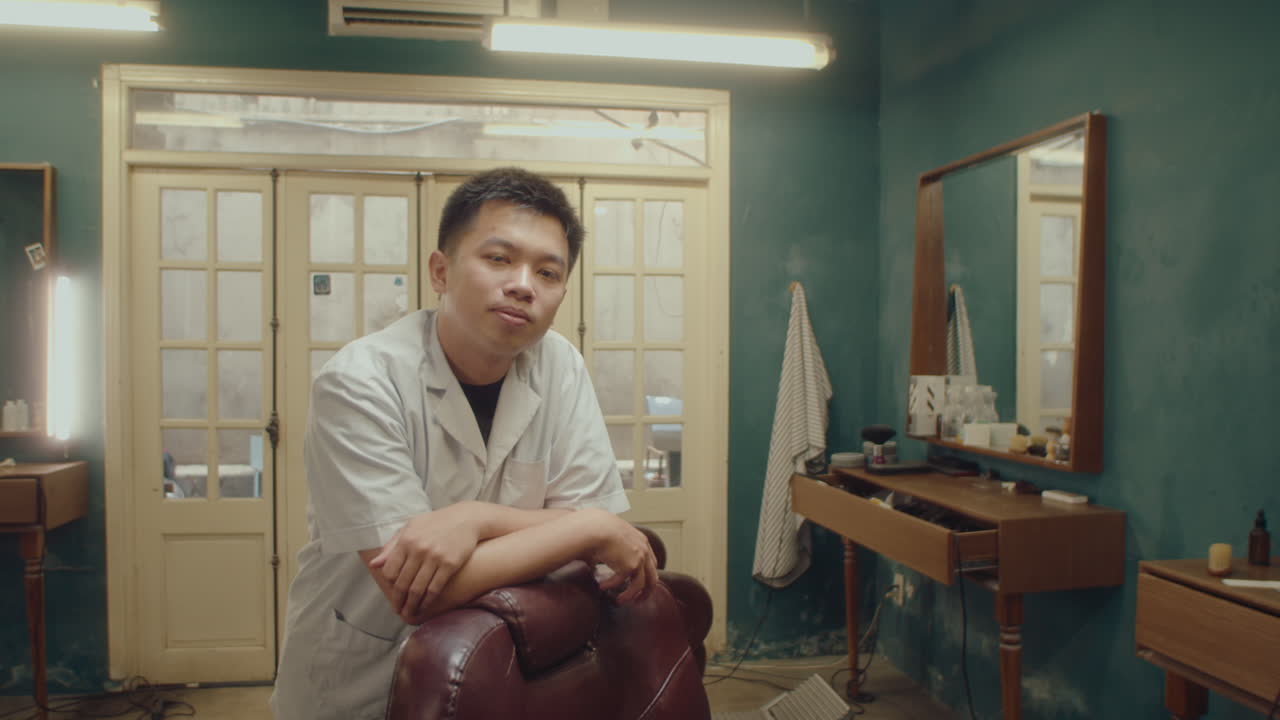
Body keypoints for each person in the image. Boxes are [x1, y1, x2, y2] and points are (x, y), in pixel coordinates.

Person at [271, 167, 658, 720]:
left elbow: (590, 524)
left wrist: (477, 519)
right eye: (499, 258)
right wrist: (589, 528)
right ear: (440, 270)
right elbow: (418, 592)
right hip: (363, 677)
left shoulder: (560, 366)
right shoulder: (360, 381)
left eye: (548, 272)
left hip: (502, 668)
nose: (524, 284)